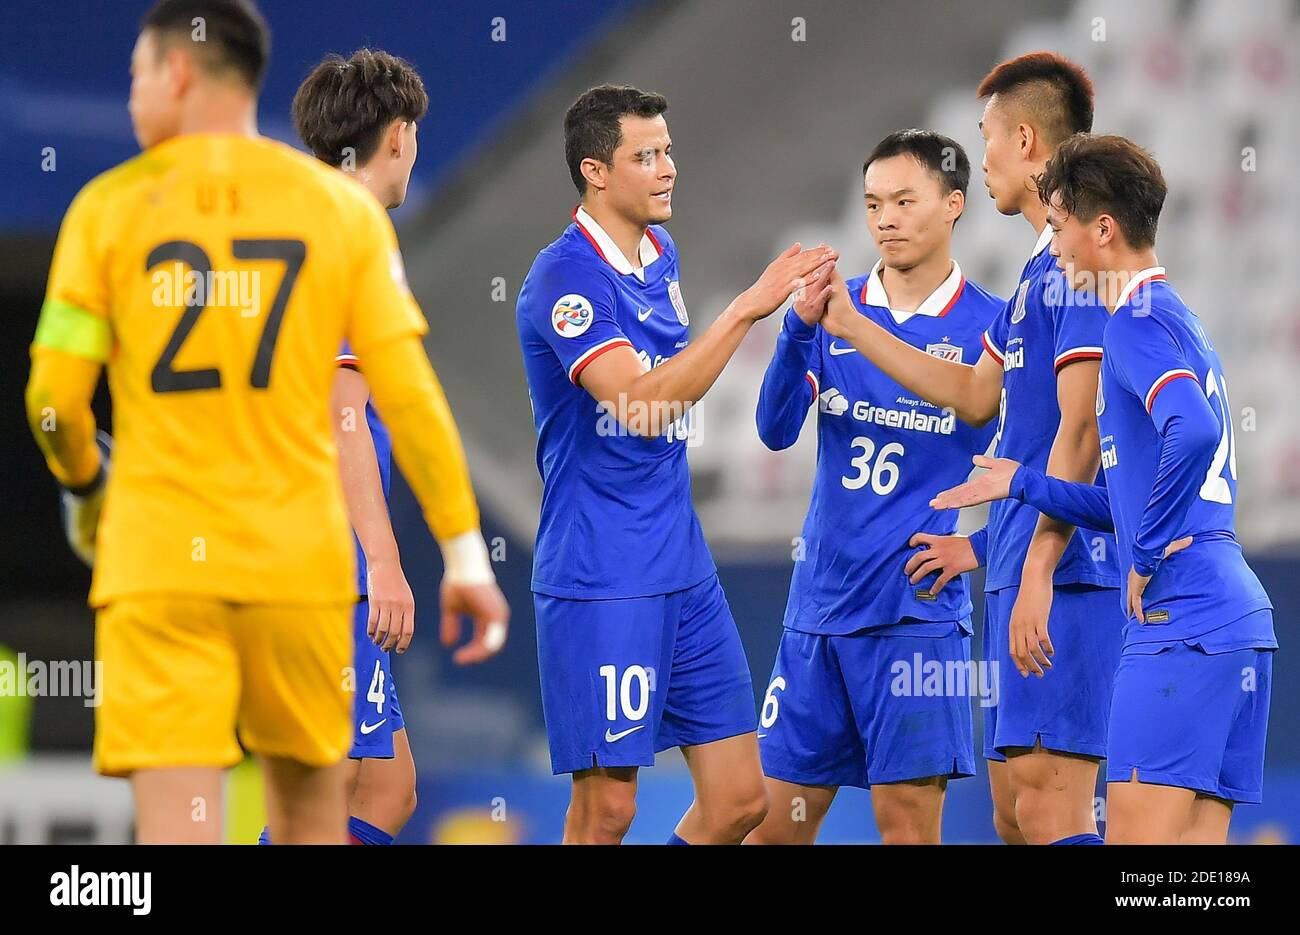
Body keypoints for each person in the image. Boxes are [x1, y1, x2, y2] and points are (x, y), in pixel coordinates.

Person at [26, 0, 502, 843]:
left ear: (179, 72)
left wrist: (88, 487)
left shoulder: (107, 209)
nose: (131, 92)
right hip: (300, 571)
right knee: (320, 814)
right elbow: (408, 395)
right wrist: (463, 549)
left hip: (159, 564)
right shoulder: (338, 218)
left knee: (184, 821)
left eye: (138, 72)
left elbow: (55, 401)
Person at [929, 133, 1275, 844]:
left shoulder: (1132, 326)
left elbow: (1196, 431)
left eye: (1060, 228)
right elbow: (1132, 495)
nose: (1053, 246)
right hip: (1236, 619)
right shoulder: (1181, 319)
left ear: (1104, 230)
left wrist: (1144, 557)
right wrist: (1026, 485)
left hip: (1180, 618)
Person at [515, 83, 835, 843]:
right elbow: (639, 404)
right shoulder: (564, 279)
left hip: (681, 564)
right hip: (602, 571)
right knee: (608, 810)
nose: (668, 169)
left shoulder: (660, 253)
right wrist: (743, 312)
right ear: (596, 171)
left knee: (739, 799)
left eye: (668, 151)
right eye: (646, 155)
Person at [744, 130, 1002, 845]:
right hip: (819, 611)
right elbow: (772, 429)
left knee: (907, 832)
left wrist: (978, 548)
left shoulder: (993, 325)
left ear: (954, 205)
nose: (884, 218)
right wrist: (797, 329)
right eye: (872, 204)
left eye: (904, 200)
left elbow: (1044, 462)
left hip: (914, 618)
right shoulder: (834, 309)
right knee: (771, 826)